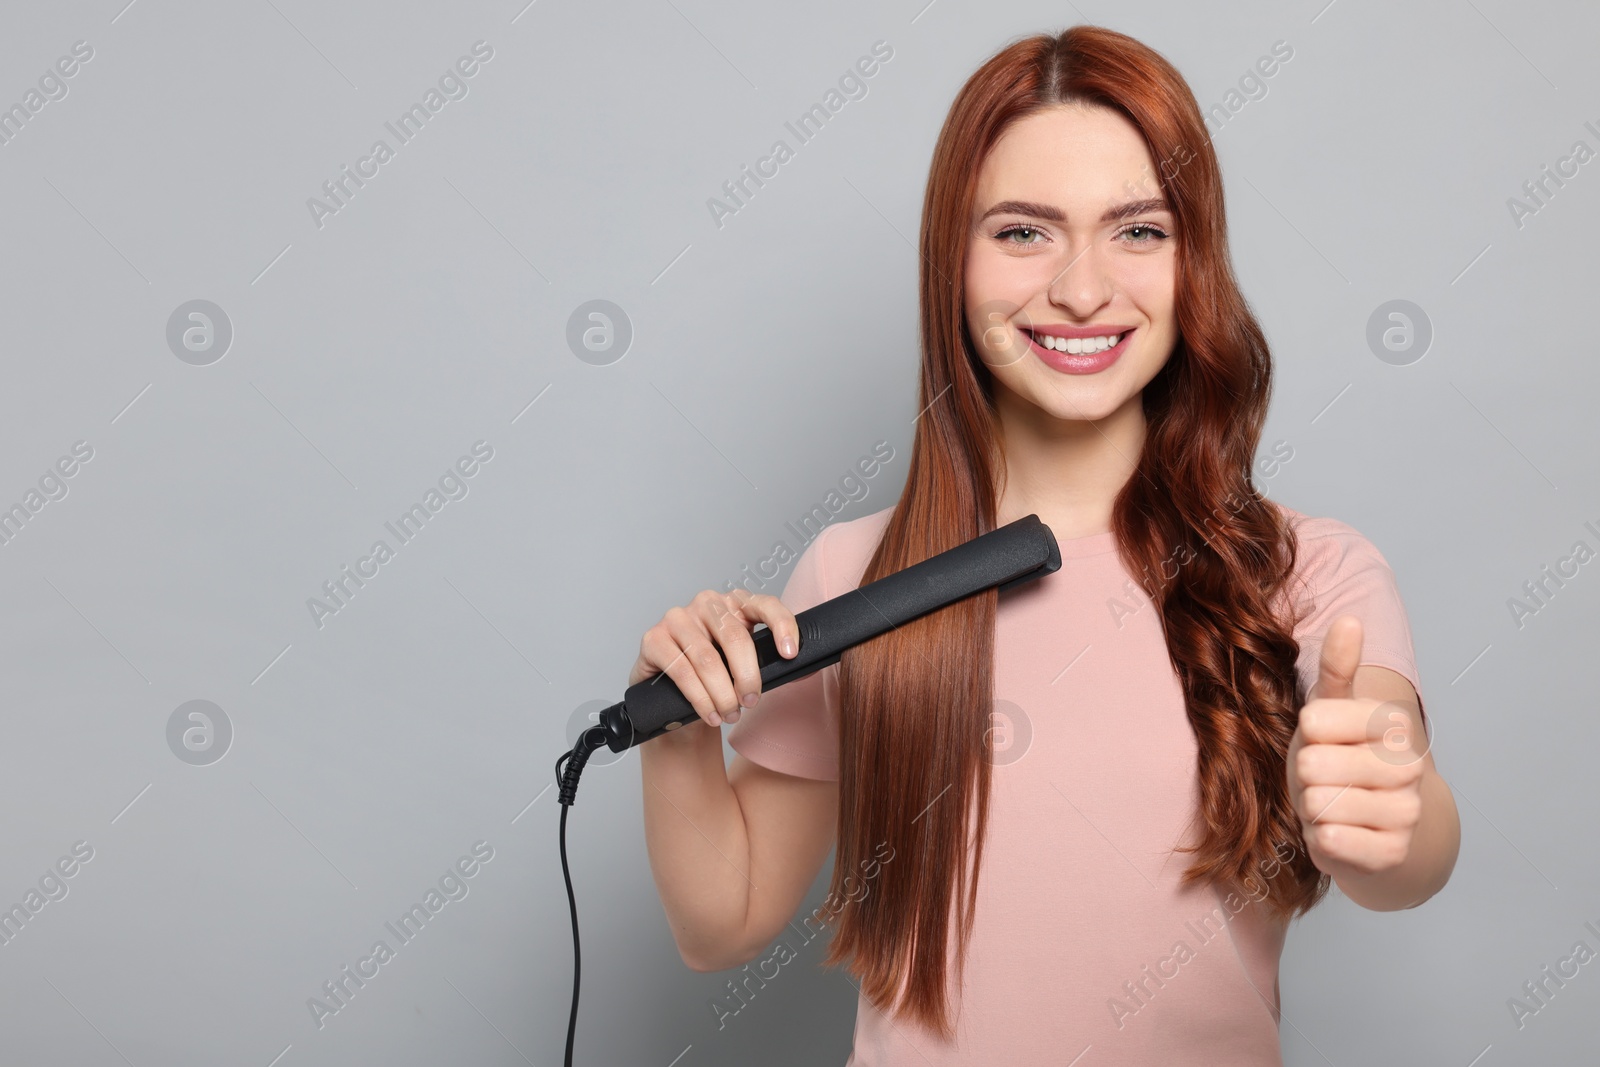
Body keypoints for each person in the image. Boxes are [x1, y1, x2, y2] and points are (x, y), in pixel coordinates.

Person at [633, 24, 1460, 1065]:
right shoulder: (852, 578)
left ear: (1193, 258)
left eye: (1138, 231)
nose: (1079, 288)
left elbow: (1408, 852)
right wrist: (674, 719)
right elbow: (725, 919)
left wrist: (1390, 813)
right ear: (953, 259)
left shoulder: (1308, 572)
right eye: (1023, 232)